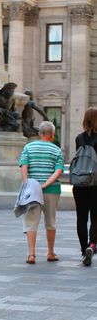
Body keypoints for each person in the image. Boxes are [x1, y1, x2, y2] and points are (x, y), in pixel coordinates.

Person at [19, 121, 64, 264]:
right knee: (50, 222)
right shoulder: (57, 150)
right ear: (52, 135)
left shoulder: (28, 147)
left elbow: (24, 166)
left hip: (32, 190)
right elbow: (58, 171)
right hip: (52, 190)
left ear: (39, 134)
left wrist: (27, 183)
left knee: (31, 222)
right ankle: (50, 253)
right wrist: (45, 184)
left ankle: (31, 254)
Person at [73, 107, 97, 266]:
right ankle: (92, 245)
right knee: (96, 217)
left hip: (80, 183)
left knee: (81, 218)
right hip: (96, 184)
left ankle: (83, 250)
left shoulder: (79, 138)